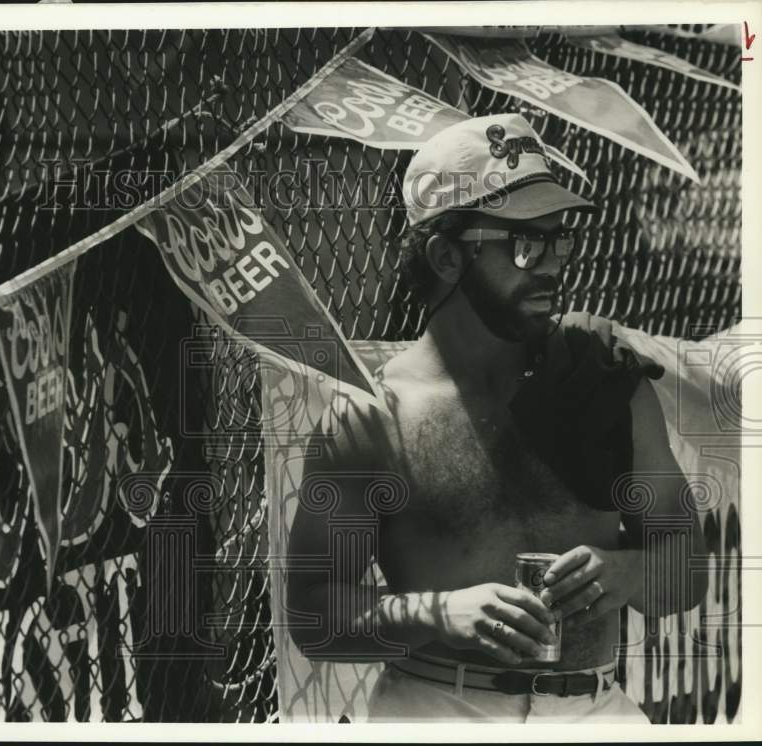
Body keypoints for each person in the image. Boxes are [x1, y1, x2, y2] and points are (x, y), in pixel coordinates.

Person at [286, 113, 708, 723]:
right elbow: (312, 617)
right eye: (523, 244)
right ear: (446, 256)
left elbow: (687, 570)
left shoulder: (602, 381)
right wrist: (438, 614)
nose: (552, 266)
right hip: (433, 708)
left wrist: (628, 572)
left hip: (596, 710)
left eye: (557, 240)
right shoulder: (374, 418)